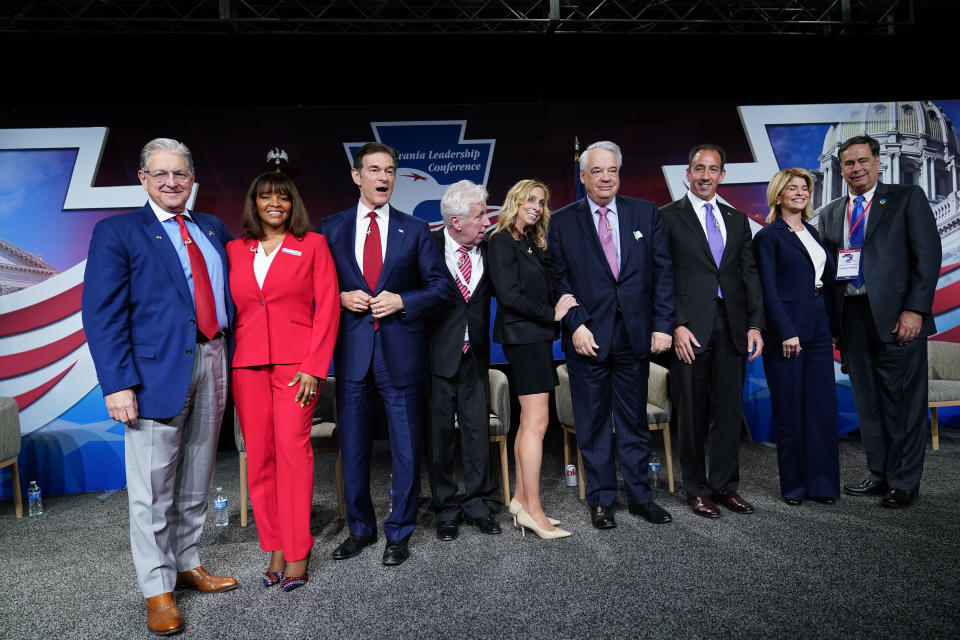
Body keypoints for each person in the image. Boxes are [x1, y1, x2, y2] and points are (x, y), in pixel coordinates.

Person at [81, 138, 236, 636]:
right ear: (144, 180)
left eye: (181, 174)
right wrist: (118, 384)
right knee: (151, 489)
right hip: (151, 376)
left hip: (213, 357)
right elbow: (102, 315)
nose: (172, 182)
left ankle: (187, 563)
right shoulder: (118, 232)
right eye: (161, 174)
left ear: (193, 180)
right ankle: (157, 589)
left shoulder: (211, 227)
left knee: (197, 473)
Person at [320, 142, 452, 565]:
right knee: (354, 446)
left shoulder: (415, 229)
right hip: (353, 354)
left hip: (401, 354)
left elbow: (439, 287)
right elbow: (312, 292)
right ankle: (361, 528)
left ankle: (400, 531)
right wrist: (339, 297)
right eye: (374, 170)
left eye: (390, 170)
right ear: (356, 176)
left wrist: (403, 301)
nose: (383, 178)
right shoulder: (329, 229)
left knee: (406, 449)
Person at [548, 141, 675, 530]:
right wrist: (576, 325)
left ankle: (640, 497)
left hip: (635, 335)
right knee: (593, 421)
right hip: (587, 336)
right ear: (583, 177)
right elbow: (558, 280)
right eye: (598, 171)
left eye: (612, 171)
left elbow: (663, 272)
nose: (606, 178)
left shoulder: (645, 212)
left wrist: (662, 325)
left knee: (634, 421)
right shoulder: (563, 220)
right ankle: (601, 499)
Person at [227, 171, 339, 590]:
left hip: (297, 370)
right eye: (265, 197)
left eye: (283, 198)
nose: (275, 203)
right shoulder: (235, 250)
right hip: (247, 366)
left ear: (294, 204)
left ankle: (298, 549)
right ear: (254, 203)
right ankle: (273, 544)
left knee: (294, 455)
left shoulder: (313, 245)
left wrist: (314, 366)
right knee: (260, 459)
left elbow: (327, 308)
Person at [818, 135, 941, 508]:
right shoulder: (831, 212)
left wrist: (915, 311)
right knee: (868, 402)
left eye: (862, 161)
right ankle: (880, 474)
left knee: (902, 403)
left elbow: (928, 257)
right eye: (849, 163)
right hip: (852, 319)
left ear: (877, 162)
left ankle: (904, 483)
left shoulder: (906, 199)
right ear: (840, 169)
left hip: (897, 317)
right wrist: (835, 328)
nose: (856, 169)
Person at [660, 144, 765, 519]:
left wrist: (755, 324)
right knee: (690, 413)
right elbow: (661, 277)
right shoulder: (667, 217)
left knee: (727, 411)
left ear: (723, 175)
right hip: (689, 328)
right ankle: (696, 489)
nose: (705, 175)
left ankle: (724, 486)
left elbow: (748, 275)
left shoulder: (737, 220)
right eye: (699, 168)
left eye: (713, 168)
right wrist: (675, 325)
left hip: (733, 327)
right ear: (687, 174)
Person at [487, 179, 578, 539]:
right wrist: (552, 314)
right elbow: (509, 296)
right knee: (538, 423)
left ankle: (522, 501)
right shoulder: (501, 241)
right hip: (523, 339)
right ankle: (534, 512)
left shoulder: (529, 241)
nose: (537, 206)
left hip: (536, 339)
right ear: (514, 201)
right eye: (530, 199)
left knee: (530, 423)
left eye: (541, 201)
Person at [753, 168, 840, 505]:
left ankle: (822, 484)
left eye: (805, 188)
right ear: (778, 194)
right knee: (790, 409)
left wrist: (834, 328)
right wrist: (786, 330)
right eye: (793, 188)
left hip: (819, 323)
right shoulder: (768, 236)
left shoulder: (815, 234)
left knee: (821, 408)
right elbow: (768, 290)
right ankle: (795, 486)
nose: (801, 192)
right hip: (787, 329)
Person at [424, 180, 501, 541]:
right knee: (440, 436)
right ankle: (446, 508)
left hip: (477, 356)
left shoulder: (491, 249)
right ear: (455, 221)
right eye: (479, 215)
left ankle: (477, 503)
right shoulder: (427, 247)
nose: (486, 221)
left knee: (476, 432)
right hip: (437, 358)